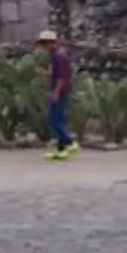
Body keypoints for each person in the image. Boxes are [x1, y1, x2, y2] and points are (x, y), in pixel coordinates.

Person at [40, 25, 77, 160]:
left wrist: (56, 92)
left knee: (53, 118)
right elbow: (55, 74)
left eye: (45, 43)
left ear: (52, 42)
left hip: (61, 90)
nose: (44, 46)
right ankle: (62, 150)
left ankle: (69, 142)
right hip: (61, 89)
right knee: (59, 118)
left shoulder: (59, 55)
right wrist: (44, 74)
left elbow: (62, 77)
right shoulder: (56, 55)